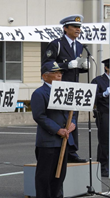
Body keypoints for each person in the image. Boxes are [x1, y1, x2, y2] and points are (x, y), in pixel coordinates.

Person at [42, 14, 89, 163]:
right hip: (60, 86)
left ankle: (72, 151)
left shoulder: (80, 46)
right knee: (61, 118)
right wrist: (64, 66)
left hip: (73, 86)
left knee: (73, 118)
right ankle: (59, 148)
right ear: (65, 28)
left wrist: (83, 67)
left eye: (79, 27)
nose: (78, 29)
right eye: (75, 27)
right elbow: (47, 64)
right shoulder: (57, 44)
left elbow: (75, 67)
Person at [31, 61, 77, 198]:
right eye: (55, 73)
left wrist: (72, 123)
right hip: (48, 141)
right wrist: (58, 130)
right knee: (44, 177)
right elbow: (39, 116)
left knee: (59, 177)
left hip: (64, 140)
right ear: (45, 76)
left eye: (60, 73)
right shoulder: (39, 93)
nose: (59, 75)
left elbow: (72, 111)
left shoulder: (65, 90)